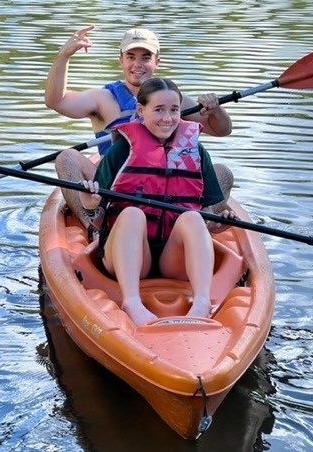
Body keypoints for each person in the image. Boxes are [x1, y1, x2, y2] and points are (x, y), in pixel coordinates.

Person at [79, 78, 237, 326]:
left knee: (193, 217)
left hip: (172, 260)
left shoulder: (196, 152)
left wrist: (219, 224)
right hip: (126, 259)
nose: (168, 118)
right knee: (132, 214)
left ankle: (201, 302)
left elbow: (207, 217)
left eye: (174, 110)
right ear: (141, 111)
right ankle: (132, 302)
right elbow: (99, 221)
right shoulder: (121, 151)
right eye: (159, 110)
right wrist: (90, 205)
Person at [45, 26, 233, 227]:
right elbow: (56, 101)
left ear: (157, 61)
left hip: (168, 184)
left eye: (145, 57)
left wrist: (215, 110)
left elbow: (222, 130)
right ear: (121, 60)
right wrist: (63, 56)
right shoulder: (104, 98)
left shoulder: (172, 100)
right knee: (67, 158)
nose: (137, 64)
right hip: (114, 185)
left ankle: (205, 223)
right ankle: (91, 224)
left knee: (223, 173)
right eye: (131, 57)